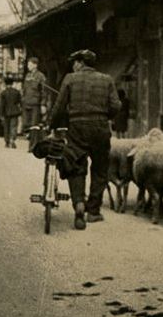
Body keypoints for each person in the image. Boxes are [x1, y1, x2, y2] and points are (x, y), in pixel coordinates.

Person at [47, 49, 120, 229]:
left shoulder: (70, 79)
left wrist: (53, 125)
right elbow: (116, 106)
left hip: (77, 127)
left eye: (74, 62)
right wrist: (104, 116)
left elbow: (59, 107)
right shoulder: (107, 79)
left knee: (76, 166)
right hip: (101, 128)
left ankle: (79, 203)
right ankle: (93, 212)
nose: (73, 65)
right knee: (100, 169)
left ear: (79, 63)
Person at [22, 57, 47, 151]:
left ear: (35, 65)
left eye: (29, 64)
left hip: (36, 103)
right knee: (26, 125)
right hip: (26, 103)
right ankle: (36, 142)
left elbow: (44, 91)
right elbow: (24, 90)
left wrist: (43, 104)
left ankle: (32, 146)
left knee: (34, 125)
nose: (28, 66)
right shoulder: (27, 76)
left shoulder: (41, 76)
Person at [0, 76, 22, 148]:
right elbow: (20, 102)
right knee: (13, 126)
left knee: (6, 127)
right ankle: (13, 140)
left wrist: (1, 114)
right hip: (15, 111)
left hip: (6, 112)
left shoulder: (3, 93)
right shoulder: (16, 92)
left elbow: (2, 105)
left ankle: (7, 141)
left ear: (5, 84)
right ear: (12, 83)